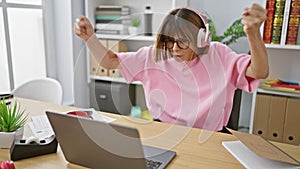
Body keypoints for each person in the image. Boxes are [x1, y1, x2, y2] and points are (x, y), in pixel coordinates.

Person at [74, 4, 269, 132]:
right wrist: (89, 38)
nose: (174, 49)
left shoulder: (219, 54)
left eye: (183, 41)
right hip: (163, 131)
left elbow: (259, 72)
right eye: (169, 41)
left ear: (202, 38)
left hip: (208, 135)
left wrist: (253, 33)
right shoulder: (155, 55)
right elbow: (110, 62)